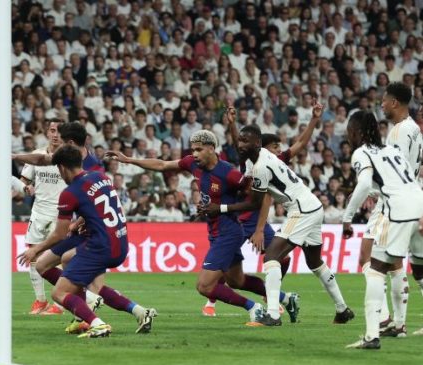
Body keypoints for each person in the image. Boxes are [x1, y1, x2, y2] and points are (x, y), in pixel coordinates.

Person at [108, 130, 293, 324]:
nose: (194, 154)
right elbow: (162, 164)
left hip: (228, 232)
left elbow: (258, 198)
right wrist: (129, 160)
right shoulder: (192, 164)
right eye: (192, 149)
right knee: (236, 281)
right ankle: (285, 298)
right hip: (214, 231)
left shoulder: (229, 173)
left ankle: (254, 308)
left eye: (198, 149)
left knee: (204, 286)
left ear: (212, 149)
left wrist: (235, 215)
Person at [203, 124, 352, 326]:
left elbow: (256, 202)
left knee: (272, 256)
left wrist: (220, 208)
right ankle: (342, 310)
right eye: (239, 140)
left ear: (257, 144)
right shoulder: (257, 156)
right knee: (315, 263)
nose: (240, 144)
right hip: (312, 206)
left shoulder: (261, 167)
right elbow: (242, 150)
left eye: (245, 141)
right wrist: (232, 123)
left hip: (301, 210)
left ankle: (272, 315)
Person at [19, 145, 156, 338]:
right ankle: (139, 311)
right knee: (55, 263)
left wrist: (35, 249)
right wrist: (80, 221)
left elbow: (59, 234)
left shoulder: (70, 192)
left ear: (62, 168)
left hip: (99, 246)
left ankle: (96, 323)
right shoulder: (101, 177)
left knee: (59, 293)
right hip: (118, 240)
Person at [201, 103, 322, 316]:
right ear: (262, 146)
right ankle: (212, 301)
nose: (279, 149)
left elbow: (301, 143)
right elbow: (240, 141)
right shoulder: (249, 159)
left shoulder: (275, 162)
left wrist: (314, 119)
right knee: (229, 272)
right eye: (275, 146)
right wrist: (232, 124)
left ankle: (274, 295)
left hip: (256, 219)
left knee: (281, 258)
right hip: (237, 220)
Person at [342, 111, 423, 349]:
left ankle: (371, 335)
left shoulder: (361, 152)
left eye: (349, 132)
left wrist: (347, 217)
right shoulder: (392, 151)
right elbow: (405, 180)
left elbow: (365, 183)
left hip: (397, 211)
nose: (348, 136)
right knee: (419, 268)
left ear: (356, 132)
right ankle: (398, 325)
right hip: (419, 205)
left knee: (376, 267)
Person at [19, 119, 66, 315]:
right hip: (38, 213)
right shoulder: (37, 155)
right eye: (52, 130)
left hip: (61, 214)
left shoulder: (69, 157)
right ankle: (40, 300)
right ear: (47, 132)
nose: (55, 134)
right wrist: (26, 187)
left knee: (62, 259)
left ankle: (61, 304)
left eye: (59, 132)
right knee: (33, 256)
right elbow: (24, 180)